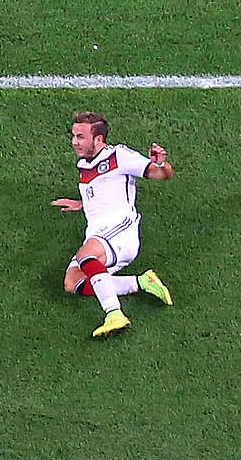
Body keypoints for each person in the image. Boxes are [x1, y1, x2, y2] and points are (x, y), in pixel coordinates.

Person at [51, 112, 175, 337]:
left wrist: (162, 163)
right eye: (74, 136)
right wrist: (82, 204)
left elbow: (162, 175)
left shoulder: (119, 156)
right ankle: (141, 282)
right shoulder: (84, 165)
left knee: (85, 256)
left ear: (98, 139)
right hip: (100, 232)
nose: (74, 142)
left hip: (121, 229)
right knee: (72, 282)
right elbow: (102, 191)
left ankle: (114, 314)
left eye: (80, 136)